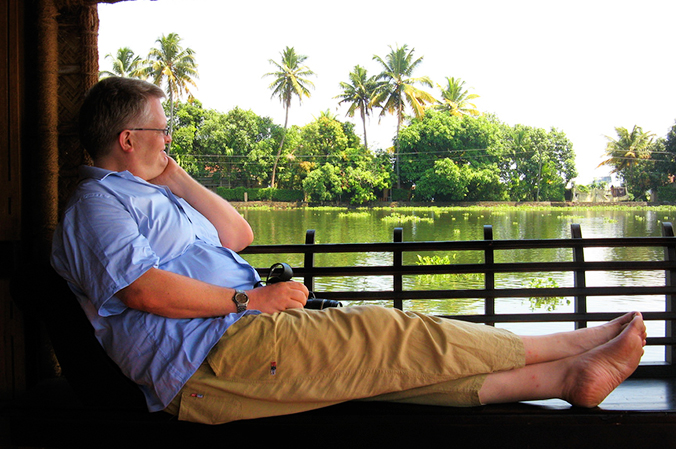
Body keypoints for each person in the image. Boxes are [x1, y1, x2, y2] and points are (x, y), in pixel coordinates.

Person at [51, 76, 647, 425]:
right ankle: (574, 343)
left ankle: (568, 376)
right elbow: (142, 289)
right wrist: (249, 298)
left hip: (231, 344)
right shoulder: (98, 204)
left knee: (397, 375)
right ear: (128, 140)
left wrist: (172, 172)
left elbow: (236, 235)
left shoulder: (149, 193)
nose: (170, 139)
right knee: (394, 335)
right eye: (161, 131)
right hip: (215, 354)